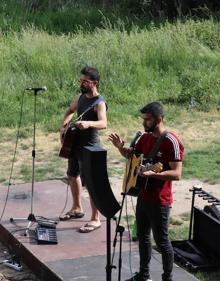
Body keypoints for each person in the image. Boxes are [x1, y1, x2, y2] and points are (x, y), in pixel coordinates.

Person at [108, 102, 184, 281]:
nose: (144, 123)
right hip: (142, 195)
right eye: (143, 119)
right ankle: (144, 275)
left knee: (162, 242)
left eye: (147, 120)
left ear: (158, 119)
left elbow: (177, 173)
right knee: (143, 237)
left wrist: (153, 174)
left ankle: (167, 278)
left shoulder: (170, 141)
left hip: (160, 200)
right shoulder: (145, 137)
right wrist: (120, 147)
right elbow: (133, 157)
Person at [60, 66, 107, 233]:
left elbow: (103, 123)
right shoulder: (80, 97)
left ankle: (96, 219)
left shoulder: (99, 102)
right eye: (81, 80)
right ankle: (77, 208)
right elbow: (70, 111)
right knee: (73, 175)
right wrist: (64, 126)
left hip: (90, 147)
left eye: (85, 81)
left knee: (91, 183)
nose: (81, 83)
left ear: (94, 83)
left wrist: (89, 124)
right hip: (74, 143)